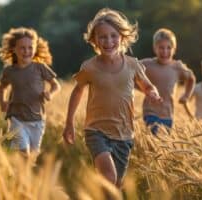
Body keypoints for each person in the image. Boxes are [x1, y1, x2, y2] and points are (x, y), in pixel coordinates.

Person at [62, 8, 161, 188]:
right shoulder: (89, 67)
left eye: (113, 36)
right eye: (103, 37)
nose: (108, 41)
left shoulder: (132, 65)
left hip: (124, 134)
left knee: (115, 185)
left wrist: (153, 93)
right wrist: (69, 123)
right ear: (95, 40)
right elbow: (77, 91)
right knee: (109, 177)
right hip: (96, 131)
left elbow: (147, 86)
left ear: (122, 37)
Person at [0, 27, 60, 160]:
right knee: (23, 153)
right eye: (22, 48)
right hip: (16, 119)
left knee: (31, 157)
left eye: (30, 47)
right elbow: (1, 88)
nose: (27, 51)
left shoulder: (40, 67)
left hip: (37, 120)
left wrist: (50, 94)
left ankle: (24, 178)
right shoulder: (10, 71)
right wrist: (3, 103)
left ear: (35, 48)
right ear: (14, 49)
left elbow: (56, 85)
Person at [141, 28, 195, 135]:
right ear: (154, 48)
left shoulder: (177, 67)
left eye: (168, 48)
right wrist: (143, 88)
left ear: (174, 49)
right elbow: (130, 72)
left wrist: (186, 95)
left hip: (168, 114)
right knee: (154, 136)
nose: (165, 51)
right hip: (150, 112)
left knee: (164, 143)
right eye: (161, 48)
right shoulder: (147, 64)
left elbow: (191, 78)